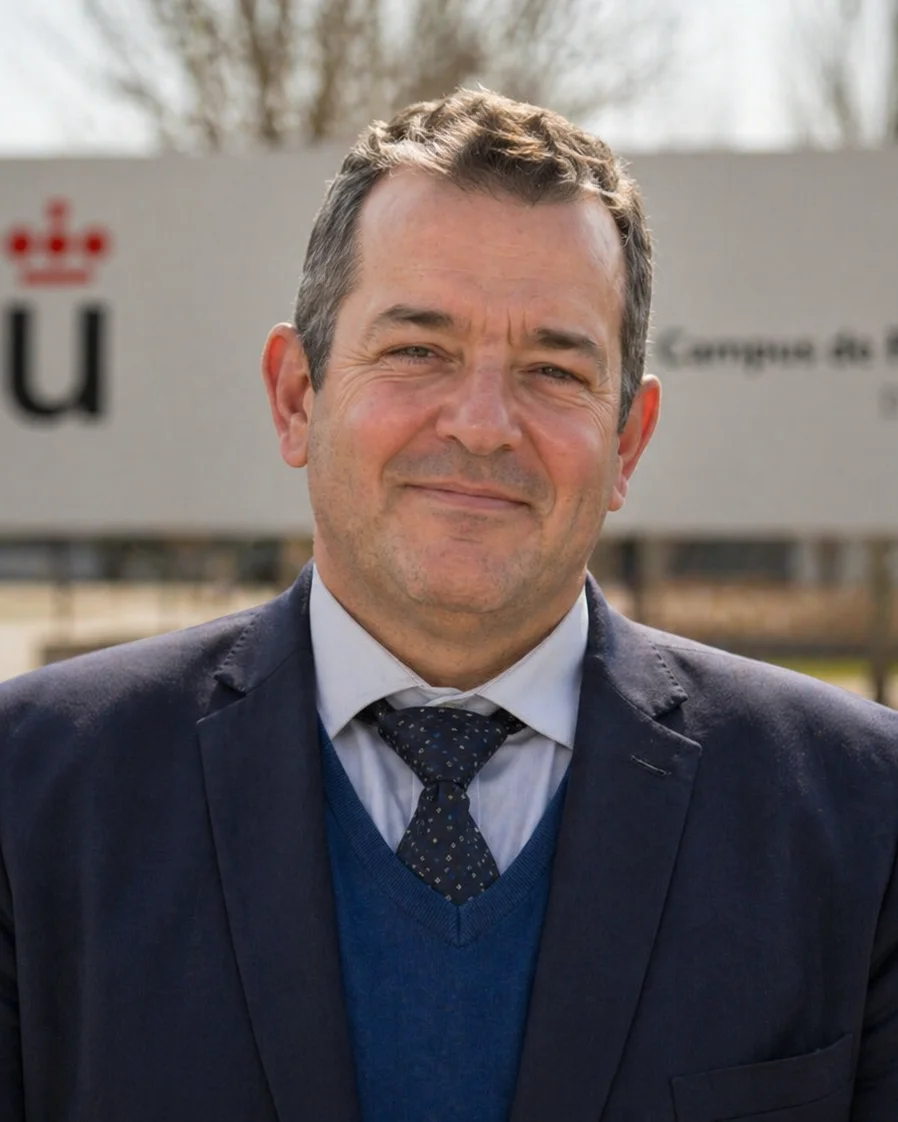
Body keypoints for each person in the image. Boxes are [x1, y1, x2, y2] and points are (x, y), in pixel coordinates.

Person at [1, 89, 896, 1122]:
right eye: (417, 350)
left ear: (628, 442)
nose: (481, 424)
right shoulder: (32, 798)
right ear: (297, 397)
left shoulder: (862, 818)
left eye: (552, 369)